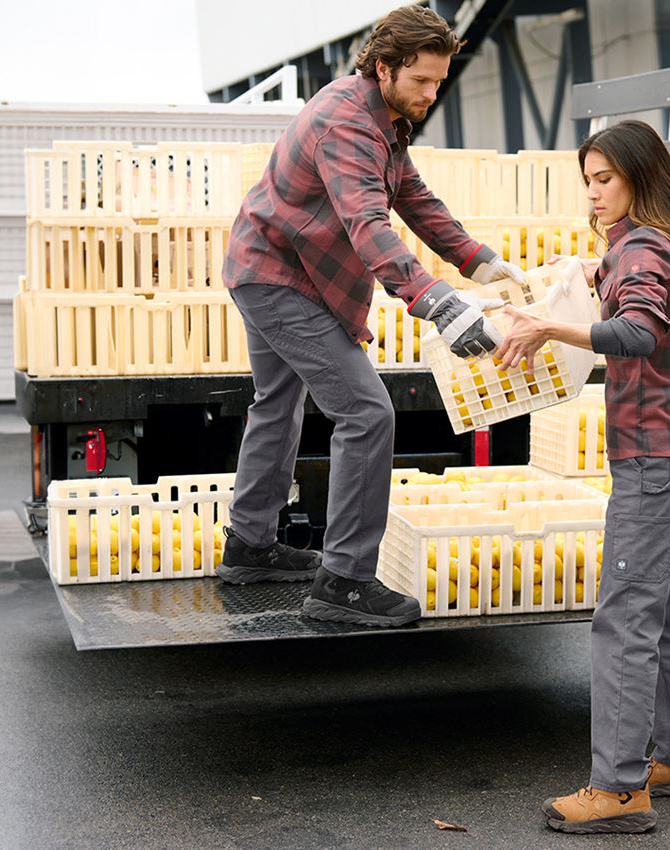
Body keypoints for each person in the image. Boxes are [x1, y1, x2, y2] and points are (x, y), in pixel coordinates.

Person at [218, 4, 524, 628]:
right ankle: (345, 582)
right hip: (280, 277)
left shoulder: (381, 116)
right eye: (422, 82)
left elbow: (411, 195)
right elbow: (369, 226)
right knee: (366, 411)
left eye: (439, 82)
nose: (432, 94)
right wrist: (439, 304)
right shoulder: (347, 123)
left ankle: (249, 545)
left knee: (278, 403)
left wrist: (479, 260)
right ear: (384, 67)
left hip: (270, 265)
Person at [494, 120, 670, 834]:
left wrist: (548, 328)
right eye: (588, 181)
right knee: (665, 611)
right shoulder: (652, 246)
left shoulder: (640, 247)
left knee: (624, 620)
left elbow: (637, 330)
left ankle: (620, 789)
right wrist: (581, 278)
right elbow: (628, 292)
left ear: (639, 177)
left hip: (651, 466)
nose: (593, 194)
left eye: (605, 179)